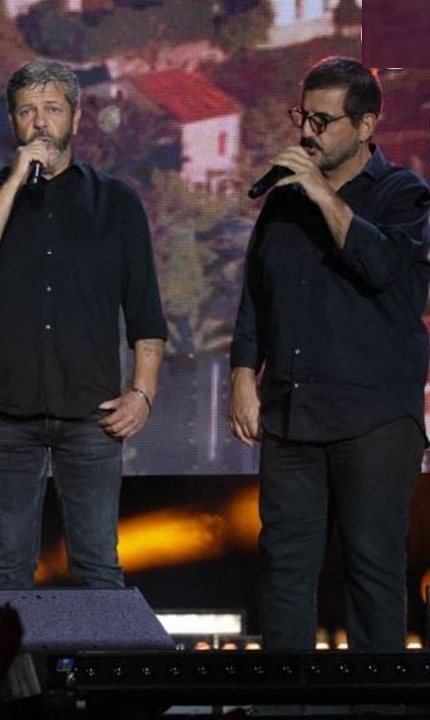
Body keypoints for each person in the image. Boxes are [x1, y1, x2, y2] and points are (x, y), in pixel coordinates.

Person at [229, 56, 430, 652]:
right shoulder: (284, 201)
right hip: (292, 412)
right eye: (303, 117)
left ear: (366, 125)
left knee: (372, 566)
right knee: (284, 566)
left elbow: (381, 265)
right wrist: (243, 373)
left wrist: (321, 194)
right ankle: (286, 694)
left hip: (374, 417)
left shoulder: (405, 195)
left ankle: (376, 696)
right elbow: (256, 292)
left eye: (323, 121)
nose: (308, 132)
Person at [0, 60, 167, 590]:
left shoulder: (116, 201)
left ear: (76, 116)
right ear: (12, 121)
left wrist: (143, 392)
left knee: (97, 567)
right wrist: (16, 180)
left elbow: (145, 309)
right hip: (6, 410)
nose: (40, 122)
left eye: (51, 109)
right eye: (27, 111)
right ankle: (9, 653)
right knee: (7, 570)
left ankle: (99, 652)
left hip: (90, 412)